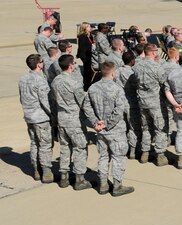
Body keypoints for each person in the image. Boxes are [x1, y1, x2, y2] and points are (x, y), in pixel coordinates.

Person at [84, 62, 134, 196]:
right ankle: (117, 186)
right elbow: (120, 110)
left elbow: (87, 107)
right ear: (113, 73)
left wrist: (95, 122)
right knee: (118, 157)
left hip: (100, 131)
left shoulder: (92, 88)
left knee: (103, 157)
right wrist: (107, 123)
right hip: (115, 130)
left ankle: (103, 185)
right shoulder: (117, 89)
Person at [51, 54, 91, 190]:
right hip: (74, 120)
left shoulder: (55, 81)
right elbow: (83, 102)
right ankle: (80, 179)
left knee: (64, 148)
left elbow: (54, 99)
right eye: (73, 63)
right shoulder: (74, 82)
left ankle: (64, 177)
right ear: (70, 65)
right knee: (80, 148)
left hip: (62, 118)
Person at [19, 54, 53, 182]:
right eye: (42, 62)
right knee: (44, 145)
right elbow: (45, 101)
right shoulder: (40, 80)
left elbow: (21, 98)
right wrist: (52, 115)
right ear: (39, 64)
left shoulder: (23, 79)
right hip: (41, 118)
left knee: (34, 143)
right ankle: (46, 171)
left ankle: (36, 169)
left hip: (29, 116)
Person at [134, 44, 169, 165]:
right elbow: (165, 84)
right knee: (160, 128)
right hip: (156, 103)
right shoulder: (157, 67)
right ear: (153, 52)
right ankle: (160, 155)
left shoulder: (137, 66)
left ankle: (145, 153)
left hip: (142, 102)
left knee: (146, 128)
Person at [116, 50, 141, 159]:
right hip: (131, 102)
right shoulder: (132, 73)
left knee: (123, 128)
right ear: (132, 61)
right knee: (133, 128)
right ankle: (133, 151)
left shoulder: (117, 71)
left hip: (120, 102)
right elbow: (137, 86)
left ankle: (123, 149)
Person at [76, 22, 94, 89]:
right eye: (88, 27)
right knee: (87, 70)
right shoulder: (82, 37)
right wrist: (83, 57)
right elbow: (82, 48)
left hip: (89, 54)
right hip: (85, 56)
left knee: (89, 70)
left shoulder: (89, 35)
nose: (90, 28)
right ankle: (86, 85)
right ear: (84, 28)